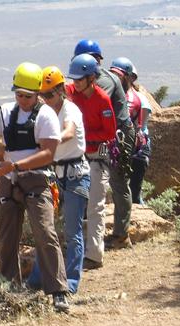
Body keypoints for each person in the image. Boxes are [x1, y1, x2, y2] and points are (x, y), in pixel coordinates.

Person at [0, 62, 69, 312]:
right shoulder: (5, 112)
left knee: (45, 233)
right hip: (8, 181)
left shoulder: (46, 115)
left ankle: (58, 290)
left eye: (28, 96)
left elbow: (48, 153)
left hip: (36, 180)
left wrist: (15, 167)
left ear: (37, 93)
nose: (23, 100)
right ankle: (8, 287)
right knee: (6, 236)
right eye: (19, 95)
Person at [26, 66, 90, 294]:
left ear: (61, 90)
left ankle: (70, 283)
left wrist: (48, 141)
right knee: (46, 230)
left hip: (74, 175)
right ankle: (37, 278)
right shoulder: (43, 112)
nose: (47, 99)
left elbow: (69, 132)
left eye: (50, 94)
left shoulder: (70, 109)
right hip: (55, 174)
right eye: (43, 95)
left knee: (72, 232)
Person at [73, 39, 135, 250]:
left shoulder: (103, 81)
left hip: (118, 135)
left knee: (118, 181)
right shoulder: (88, 80)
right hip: (99, 135)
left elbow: (93, 105)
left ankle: (121, 235)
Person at [65, 54, 116, 270]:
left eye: (79, 79)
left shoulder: (102, 99)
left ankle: (94, 255)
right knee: (73, 207)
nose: (75, 83)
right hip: (78, 158)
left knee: (95, 206)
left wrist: (85, 134)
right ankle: (73, 250)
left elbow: (110, 132)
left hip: (96, 159)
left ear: (91, 78)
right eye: (74, 79)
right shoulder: (73, 95)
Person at [129, 65, 152, 204]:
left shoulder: (140, 99)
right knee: (131, 188)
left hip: (138, 147)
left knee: (134, 191)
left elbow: (141, 127)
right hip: (134, 146)